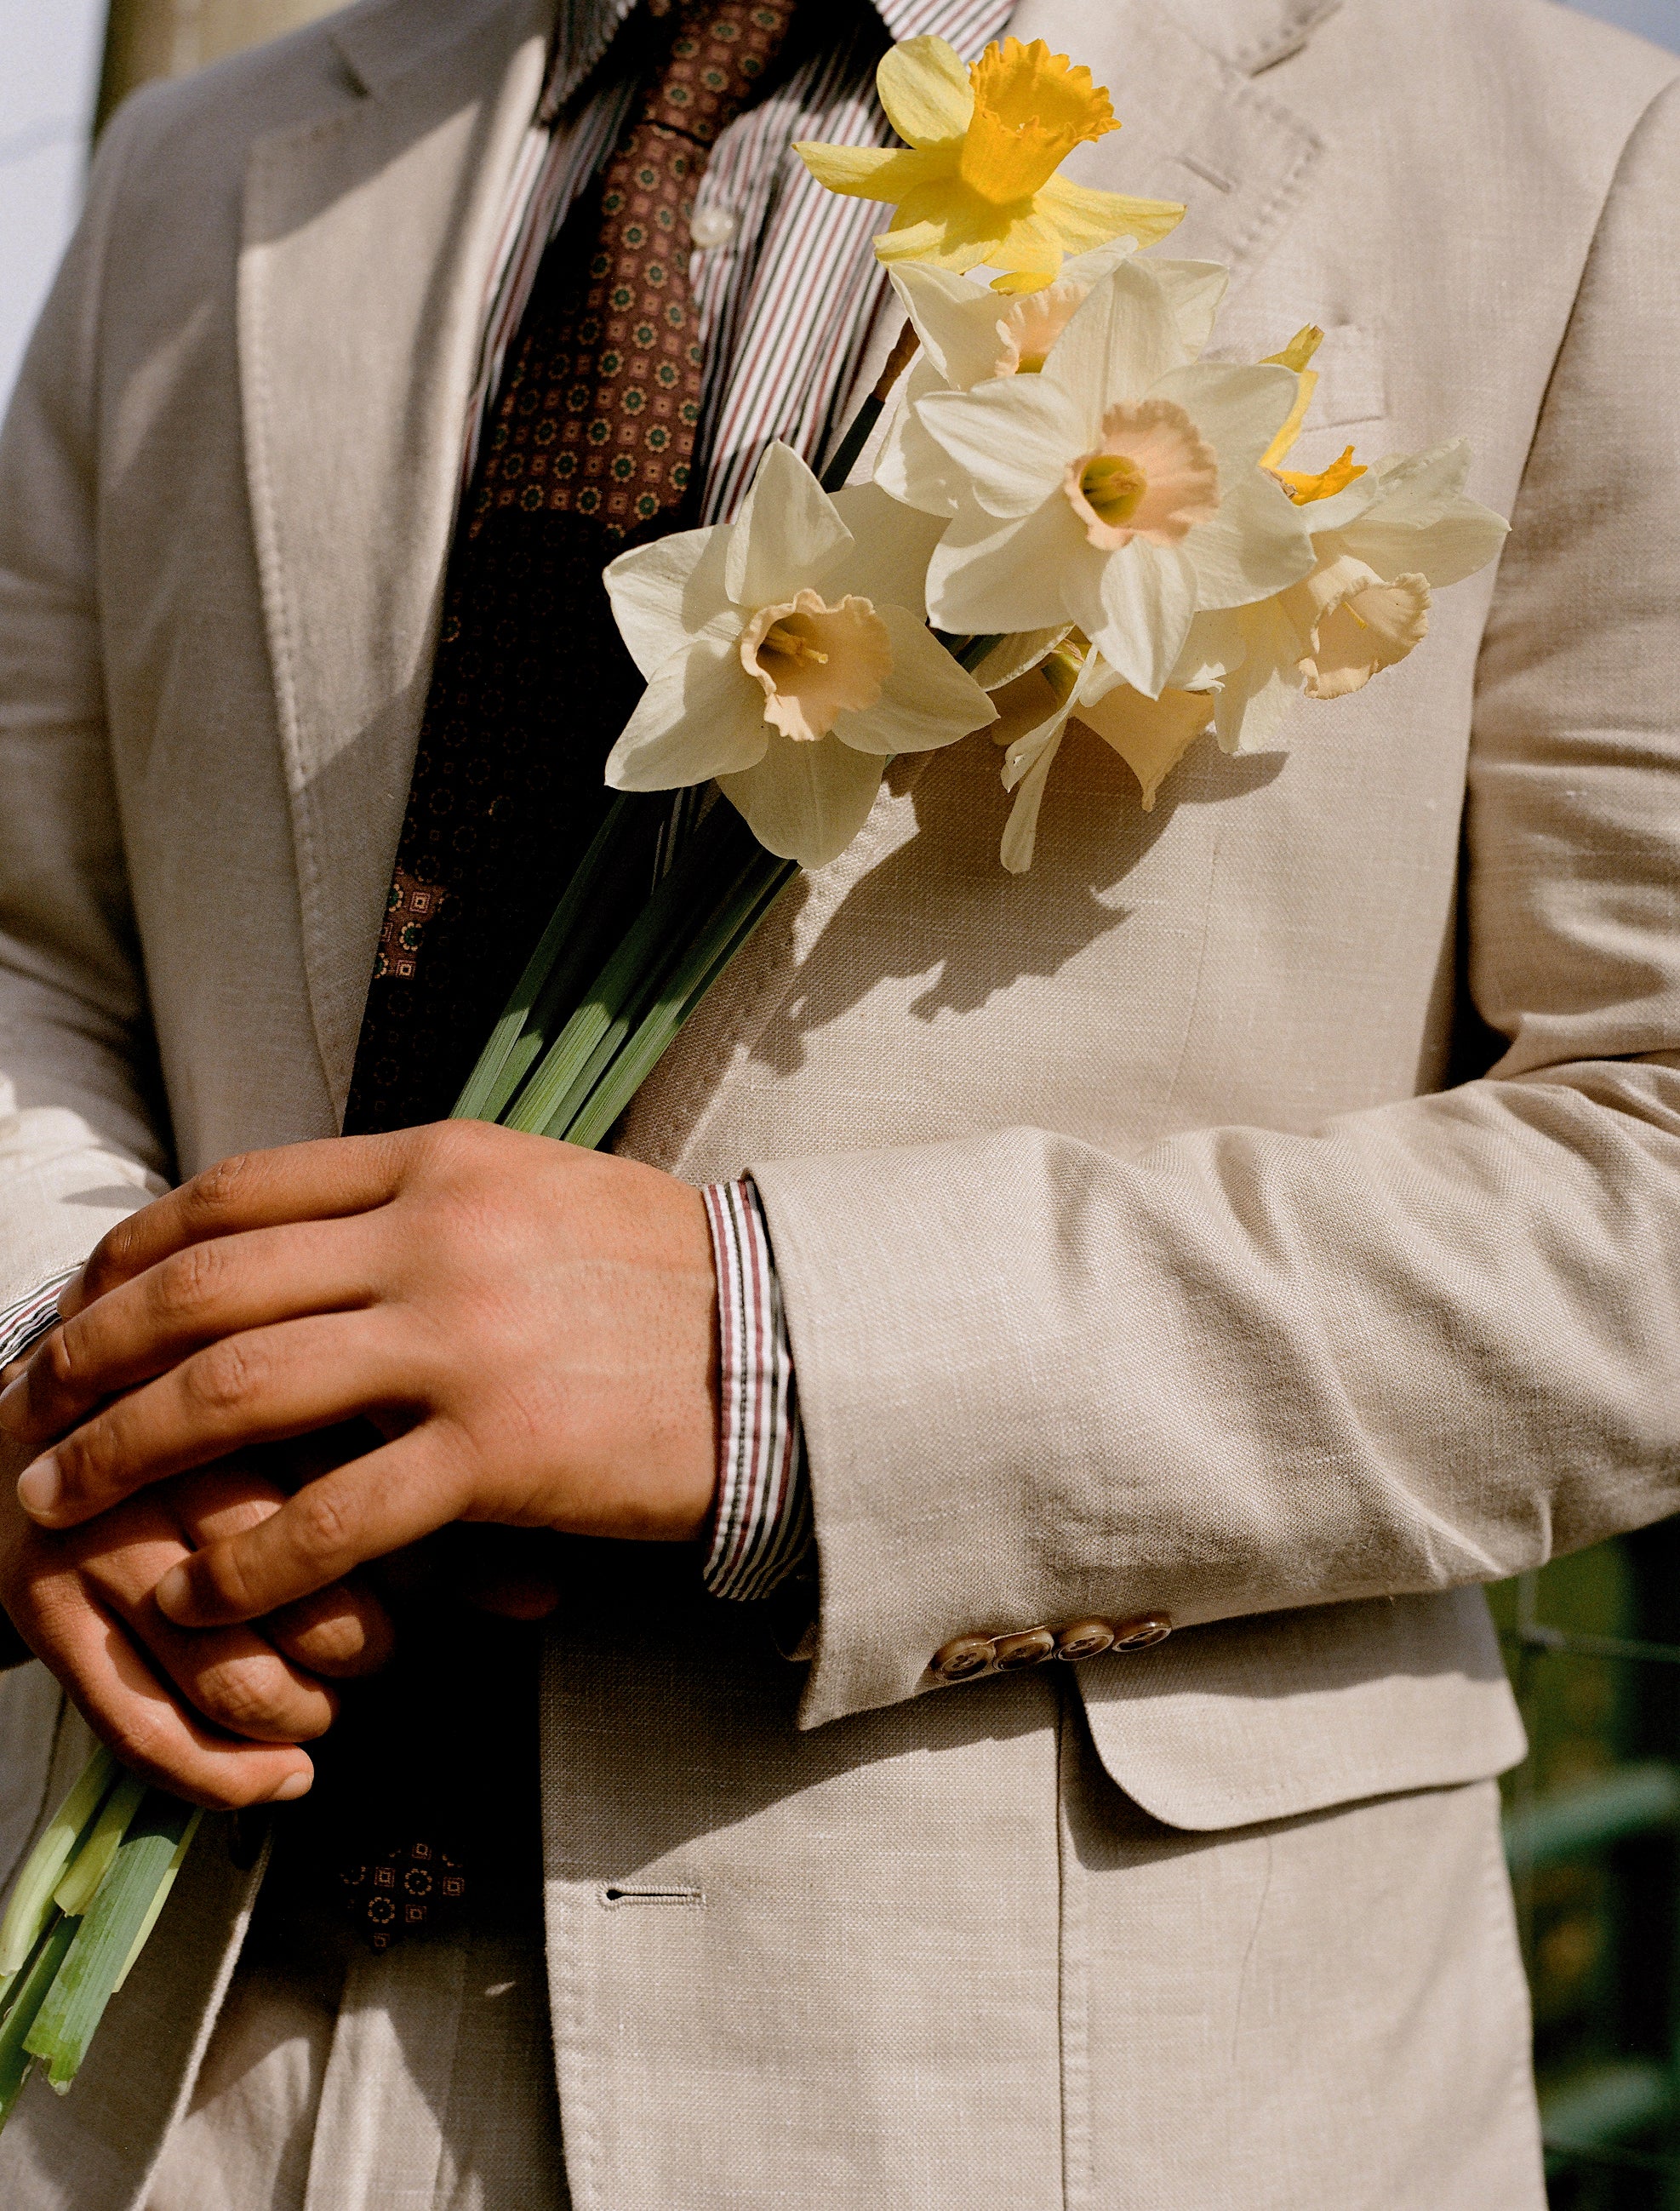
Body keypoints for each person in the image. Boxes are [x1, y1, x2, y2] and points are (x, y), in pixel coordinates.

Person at [1, 0, 1678, 2202]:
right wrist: (78, 1365)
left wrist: (773, 1357)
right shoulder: (195, 172)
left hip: (1076, 2112)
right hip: (158, 2100)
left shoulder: (1572, 159)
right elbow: (31, 938)